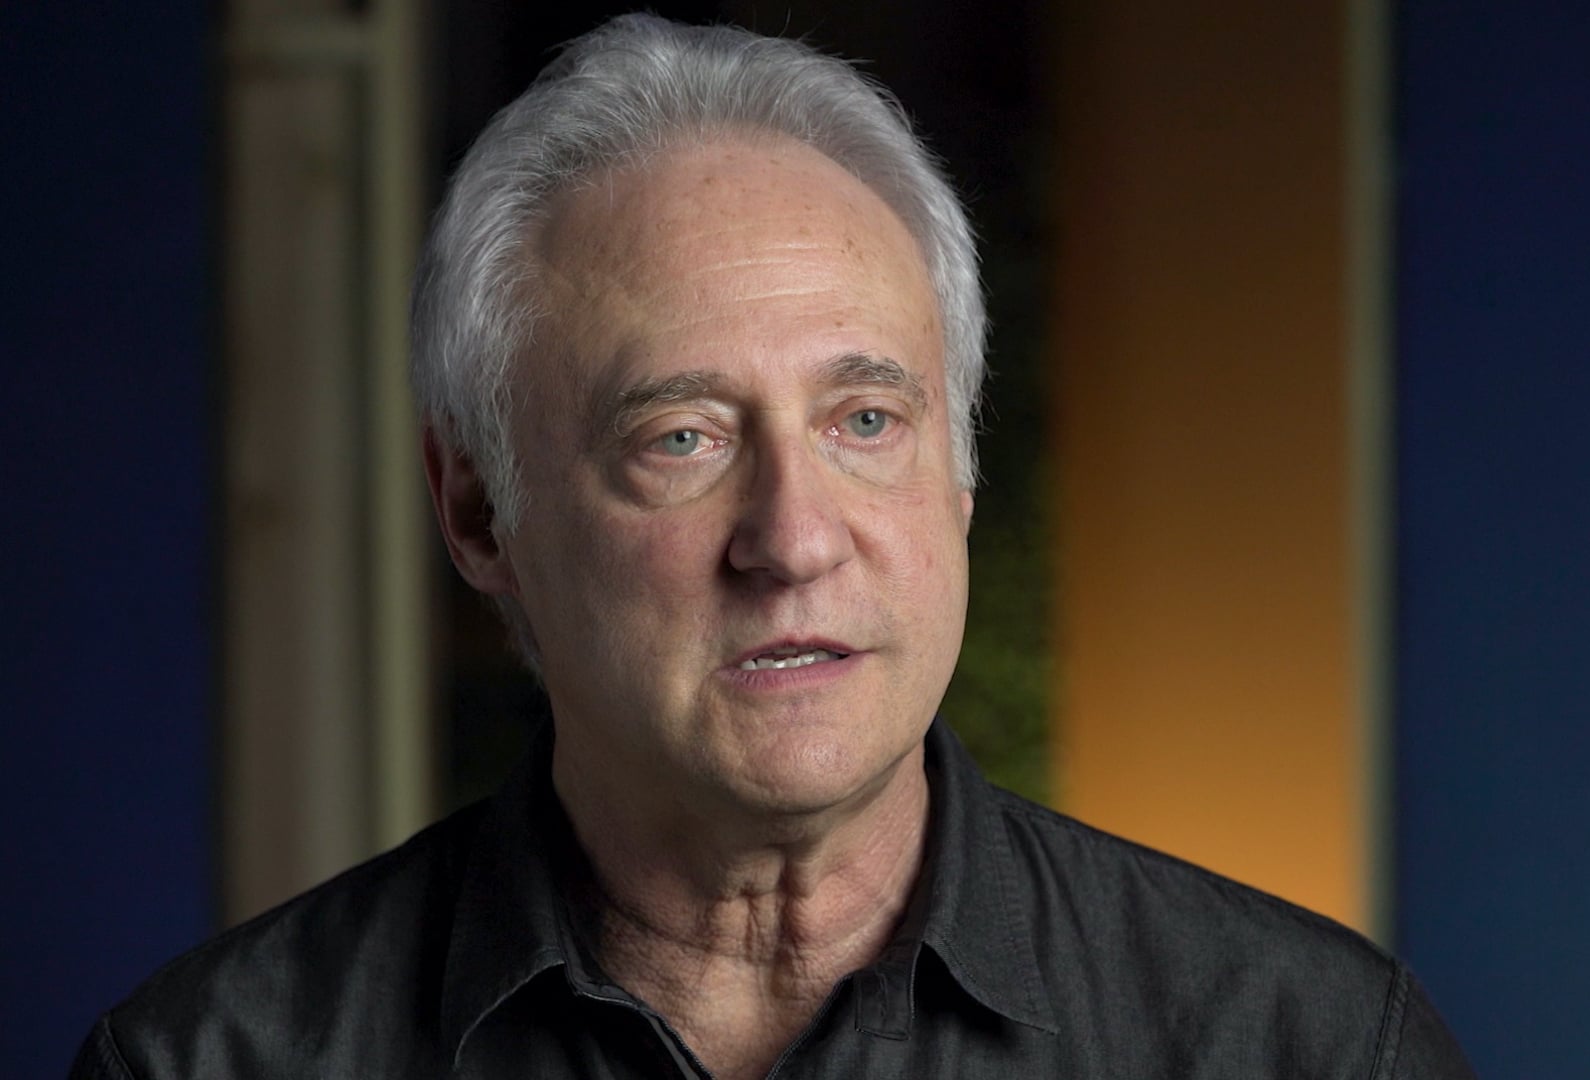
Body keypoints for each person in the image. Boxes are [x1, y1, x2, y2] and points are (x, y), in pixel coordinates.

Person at [71, 14, 1475, 1079]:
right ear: (481, 514)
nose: (794, 540)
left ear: (958, 474)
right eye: (681, 438)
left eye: (866, 420)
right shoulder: (212, 1062)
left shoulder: (1307, 1046)